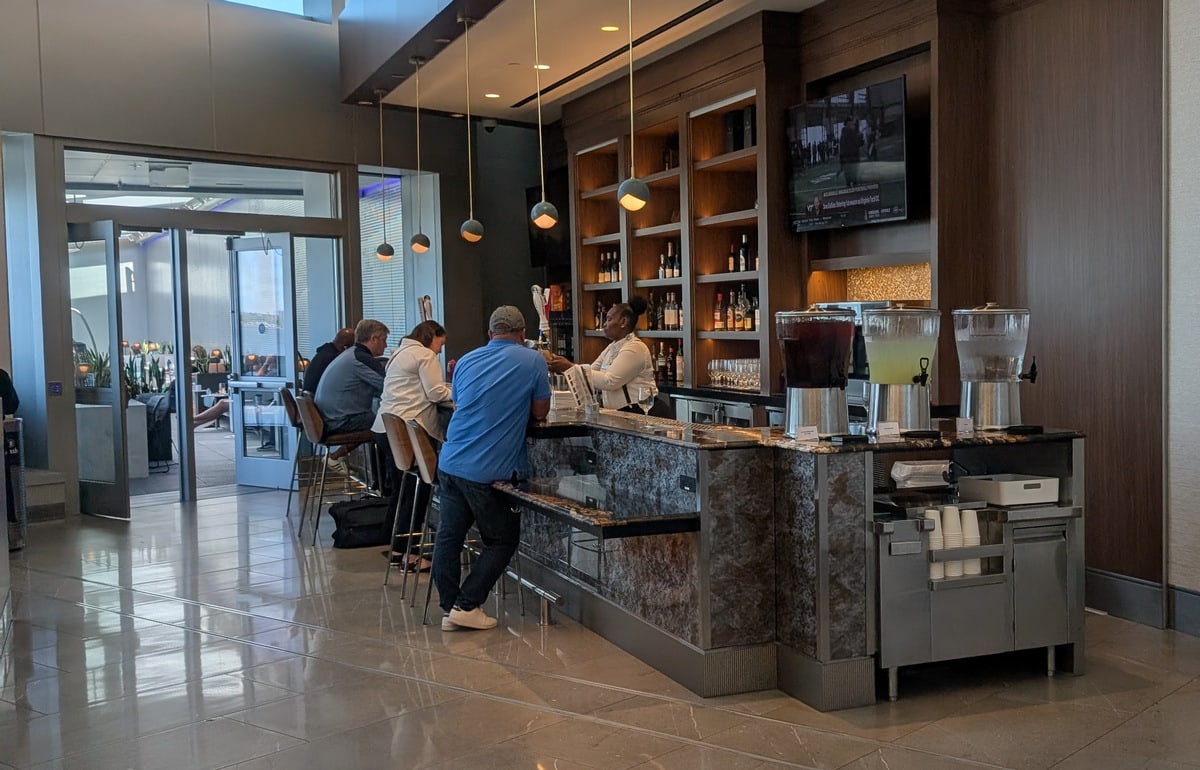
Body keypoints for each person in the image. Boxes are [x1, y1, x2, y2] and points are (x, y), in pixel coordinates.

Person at [433, 306, 550, 631]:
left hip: (451, 459)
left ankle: (449, 607)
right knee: (501, 540)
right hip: (488, 469)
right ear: (522, 333)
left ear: (490, 334)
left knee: (449, 536)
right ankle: (466, 605)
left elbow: (459, 402)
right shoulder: (533, 360)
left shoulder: (467, 360)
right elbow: (541, 410)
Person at [372, 320, 452, 572]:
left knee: (403, 489)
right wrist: (459, 391)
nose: (440, 350)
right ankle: (408, 553)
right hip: (409, 429)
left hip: (387, 428)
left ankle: (397, 545)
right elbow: (435, 393)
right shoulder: (424, 355)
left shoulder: (400, 352)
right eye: (441, 343)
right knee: (418, 489)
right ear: (433, 336)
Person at [546, 296, 660, 413]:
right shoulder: (612, 347)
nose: (604, 324)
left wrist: (569, 366)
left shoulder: (635, 348)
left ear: (623, 322)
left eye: (609, 319)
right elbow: (591, 371)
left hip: (641, 412)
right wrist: (563, 367)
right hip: (621, 412)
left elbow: (609, 381)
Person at [313, 319, 387, 437]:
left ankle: (338, 454)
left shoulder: (350, 353)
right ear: (374, 339)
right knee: (390, 421)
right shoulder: (361, 358)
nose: (386, 345)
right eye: (384, 340)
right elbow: (387, 386)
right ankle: (391, 456)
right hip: (339, 421)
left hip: (328, 417)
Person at [303, 328, 354, 393]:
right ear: (345, 347)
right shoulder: (333, 359)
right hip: (320, 399)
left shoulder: (323, 353)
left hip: (313, 397)